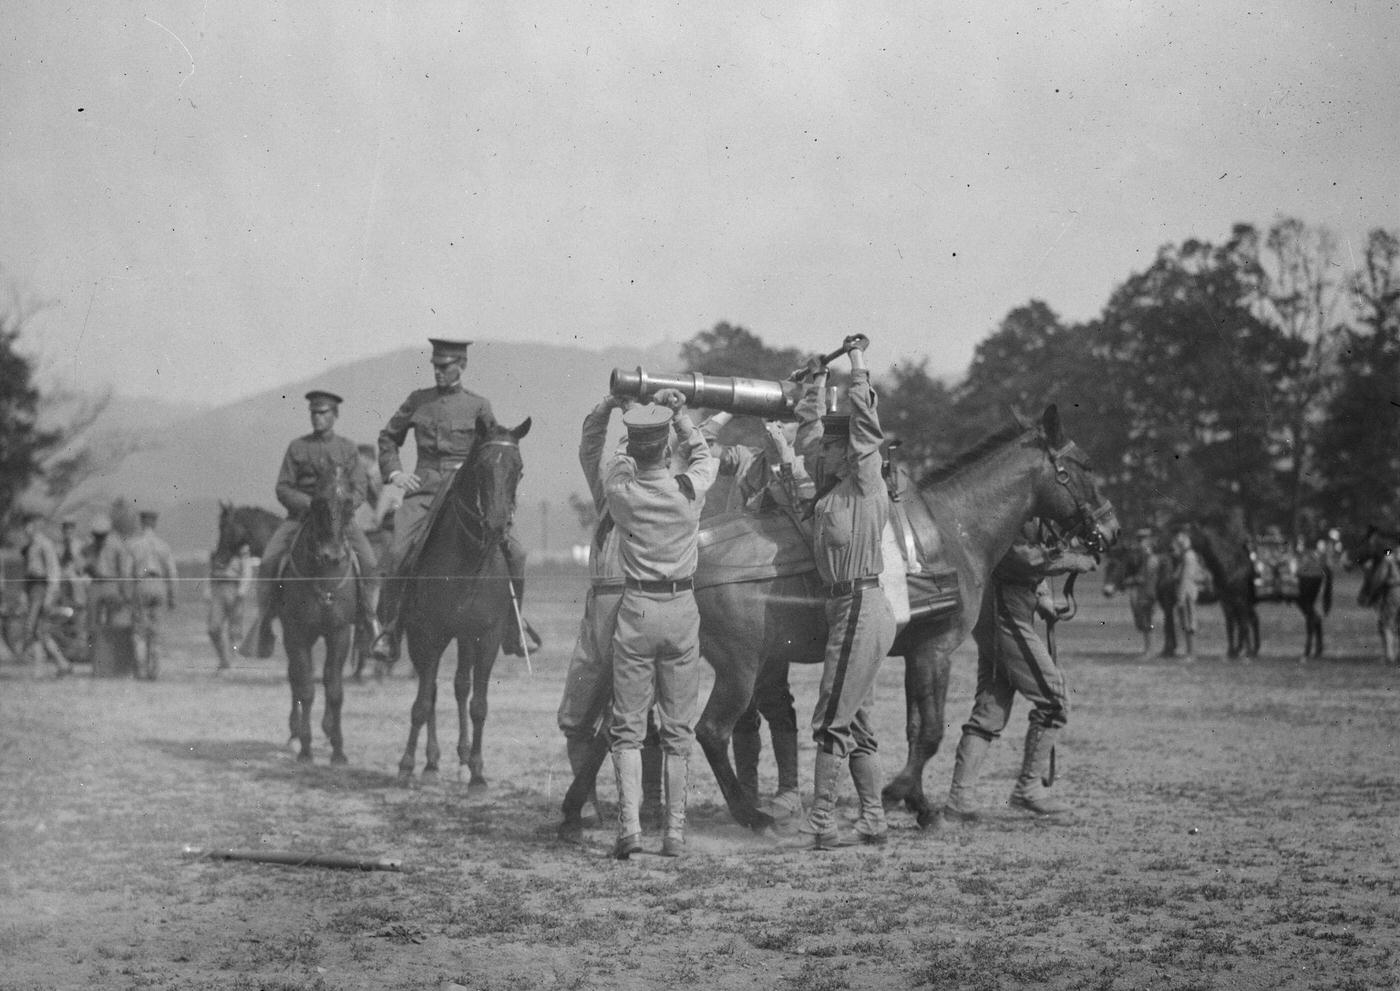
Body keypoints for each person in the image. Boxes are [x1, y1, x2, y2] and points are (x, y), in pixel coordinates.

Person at [789, 335, 896, 849]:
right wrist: (814, 383)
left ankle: (822, 820)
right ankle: (873, 818)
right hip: (847, 609)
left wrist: (856, 365)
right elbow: (808, 436)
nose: (826, 451)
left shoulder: (866, 484)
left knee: (831, 716)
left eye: (836, 445)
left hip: (862, 604)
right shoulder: (829, 491)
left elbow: (865, 429)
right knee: (857, 719)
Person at [605, 389, 717, 859]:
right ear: (668, 449)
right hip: (681, 610)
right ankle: (674, 832)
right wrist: (681, 416)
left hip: (637, 610)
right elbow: (703, 456)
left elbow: (616, 463)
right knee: (678, 728)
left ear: (633, 449)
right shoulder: (690, 489)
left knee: (628, 728)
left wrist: (627, 417)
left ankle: (630, 828)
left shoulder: (621, 493)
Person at [373, 338, 531, 659]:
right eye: (435, 366)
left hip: (466, 492)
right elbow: (388, 437)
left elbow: (495, 448)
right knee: (398, 550)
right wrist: (395, 474)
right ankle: (390, 630)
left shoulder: (479, 406)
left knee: (517, 552)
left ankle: (514, 627)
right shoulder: (418, 401)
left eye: (445, 367)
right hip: (426, 488)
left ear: (462, 366)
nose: (439, 372)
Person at [938, 520, 1098, 823]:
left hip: (1003, 610)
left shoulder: (1030, 506)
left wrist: (1042, 599)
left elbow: (1031, 562)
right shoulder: (1015, 503)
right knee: (1055, 700)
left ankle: (959, 800)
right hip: (1004, 612)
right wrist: (1076, 560)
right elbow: (1020, 559)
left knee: (989, 713)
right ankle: (1029, 789)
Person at [700, 410, 812, 820]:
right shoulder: (745, 457)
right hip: (743, 592)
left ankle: (789, 791)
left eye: (784, 423)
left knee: (775, 699)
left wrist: (784, 450)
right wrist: (723, 410)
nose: (774, 429)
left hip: (777, 593)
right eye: (770, 422)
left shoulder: (797, 464)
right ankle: (746, 791)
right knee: (742, 702)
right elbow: (702, 448)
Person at [239, 390, 382, 658]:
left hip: (340, 521)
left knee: (370, 564)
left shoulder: (347, 448)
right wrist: (311, 504)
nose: (318, 418)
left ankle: (371, 623)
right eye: (314, 413)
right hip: (301, 518)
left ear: (334, 416)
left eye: (324, 413)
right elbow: (283, 488)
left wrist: (340, 504)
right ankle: (264, 622)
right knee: (270, 560)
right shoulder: (297, 447)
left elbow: (360, 488)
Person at [556, 395, 630, 825]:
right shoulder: (608, 496)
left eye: (636, 447)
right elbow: (589, 448)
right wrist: (606, 406)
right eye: (622, 449)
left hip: (637, 605)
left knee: (636, 722)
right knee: (575, 717)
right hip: (597, 609)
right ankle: (586, 802)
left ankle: (642, 806)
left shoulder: (664, 495)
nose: (623, 458)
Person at [17, 511, 72, 677]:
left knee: (32, 628)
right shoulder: (30, 546)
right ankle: (62, 664)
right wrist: (24, 592)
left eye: (28, 525)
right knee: (38, 631)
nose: (26, 529)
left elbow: (53, 570)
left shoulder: (45, 544)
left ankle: (42, 669)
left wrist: (49, 595)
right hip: (32, 588)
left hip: (42, 588)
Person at [126, 510, 178, 680]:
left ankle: (140, 670)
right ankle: (155, 670)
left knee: (139, 631)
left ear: (142, 523)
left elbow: (127, 572)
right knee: (156, 631)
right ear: (154, 523)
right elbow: (172, 573)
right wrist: (173, 597)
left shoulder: (133, 545)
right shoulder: (164, 546)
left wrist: (128, 594)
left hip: (142, 584)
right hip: (160, 584)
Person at [84, 515, 131, 654]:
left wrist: (125, 593)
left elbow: (123, 571)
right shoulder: (89, 547)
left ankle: (111, 655)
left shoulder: (117, 546)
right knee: (92, 620)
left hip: (112, 584)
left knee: (113, 621)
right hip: (95, 584)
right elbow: (82, 565)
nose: (99, 538)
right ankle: (94, 653)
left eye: (102, 535)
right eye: (96, 535)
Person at [1124, 528, 1162, 657]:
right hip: (1144, 592)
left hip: (1148, 592)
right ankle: (1148, 649)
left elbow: (1144, 577)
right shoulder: (1144, 558)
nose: (1140, 543)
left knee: (1148, 621)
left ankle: (1150, 650)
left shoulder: (1150, 559)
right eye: (1139, 540)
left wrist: (1131, 580)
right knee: (1145, 621)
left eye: (1143, 540)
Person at [1170, 529, 1204, 662]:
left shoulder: (1188, 556)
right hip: (1186, 591)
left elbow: (1186, 578)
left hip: (1187, 593)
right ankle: (1189, 652)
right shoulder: (1186, 555)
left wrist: (1181, 596)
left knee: (1190, 622)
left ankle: (1192, 653)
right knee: (1187, 622)